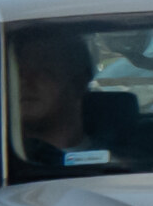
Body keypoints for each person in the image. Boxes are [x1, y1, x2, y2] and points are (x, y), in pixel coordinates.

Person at [12, 29, 110, 168]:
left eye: (42, 71)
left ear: (78, 82)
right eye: (18, 73)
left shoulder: (124, 165)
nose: (25, 82)